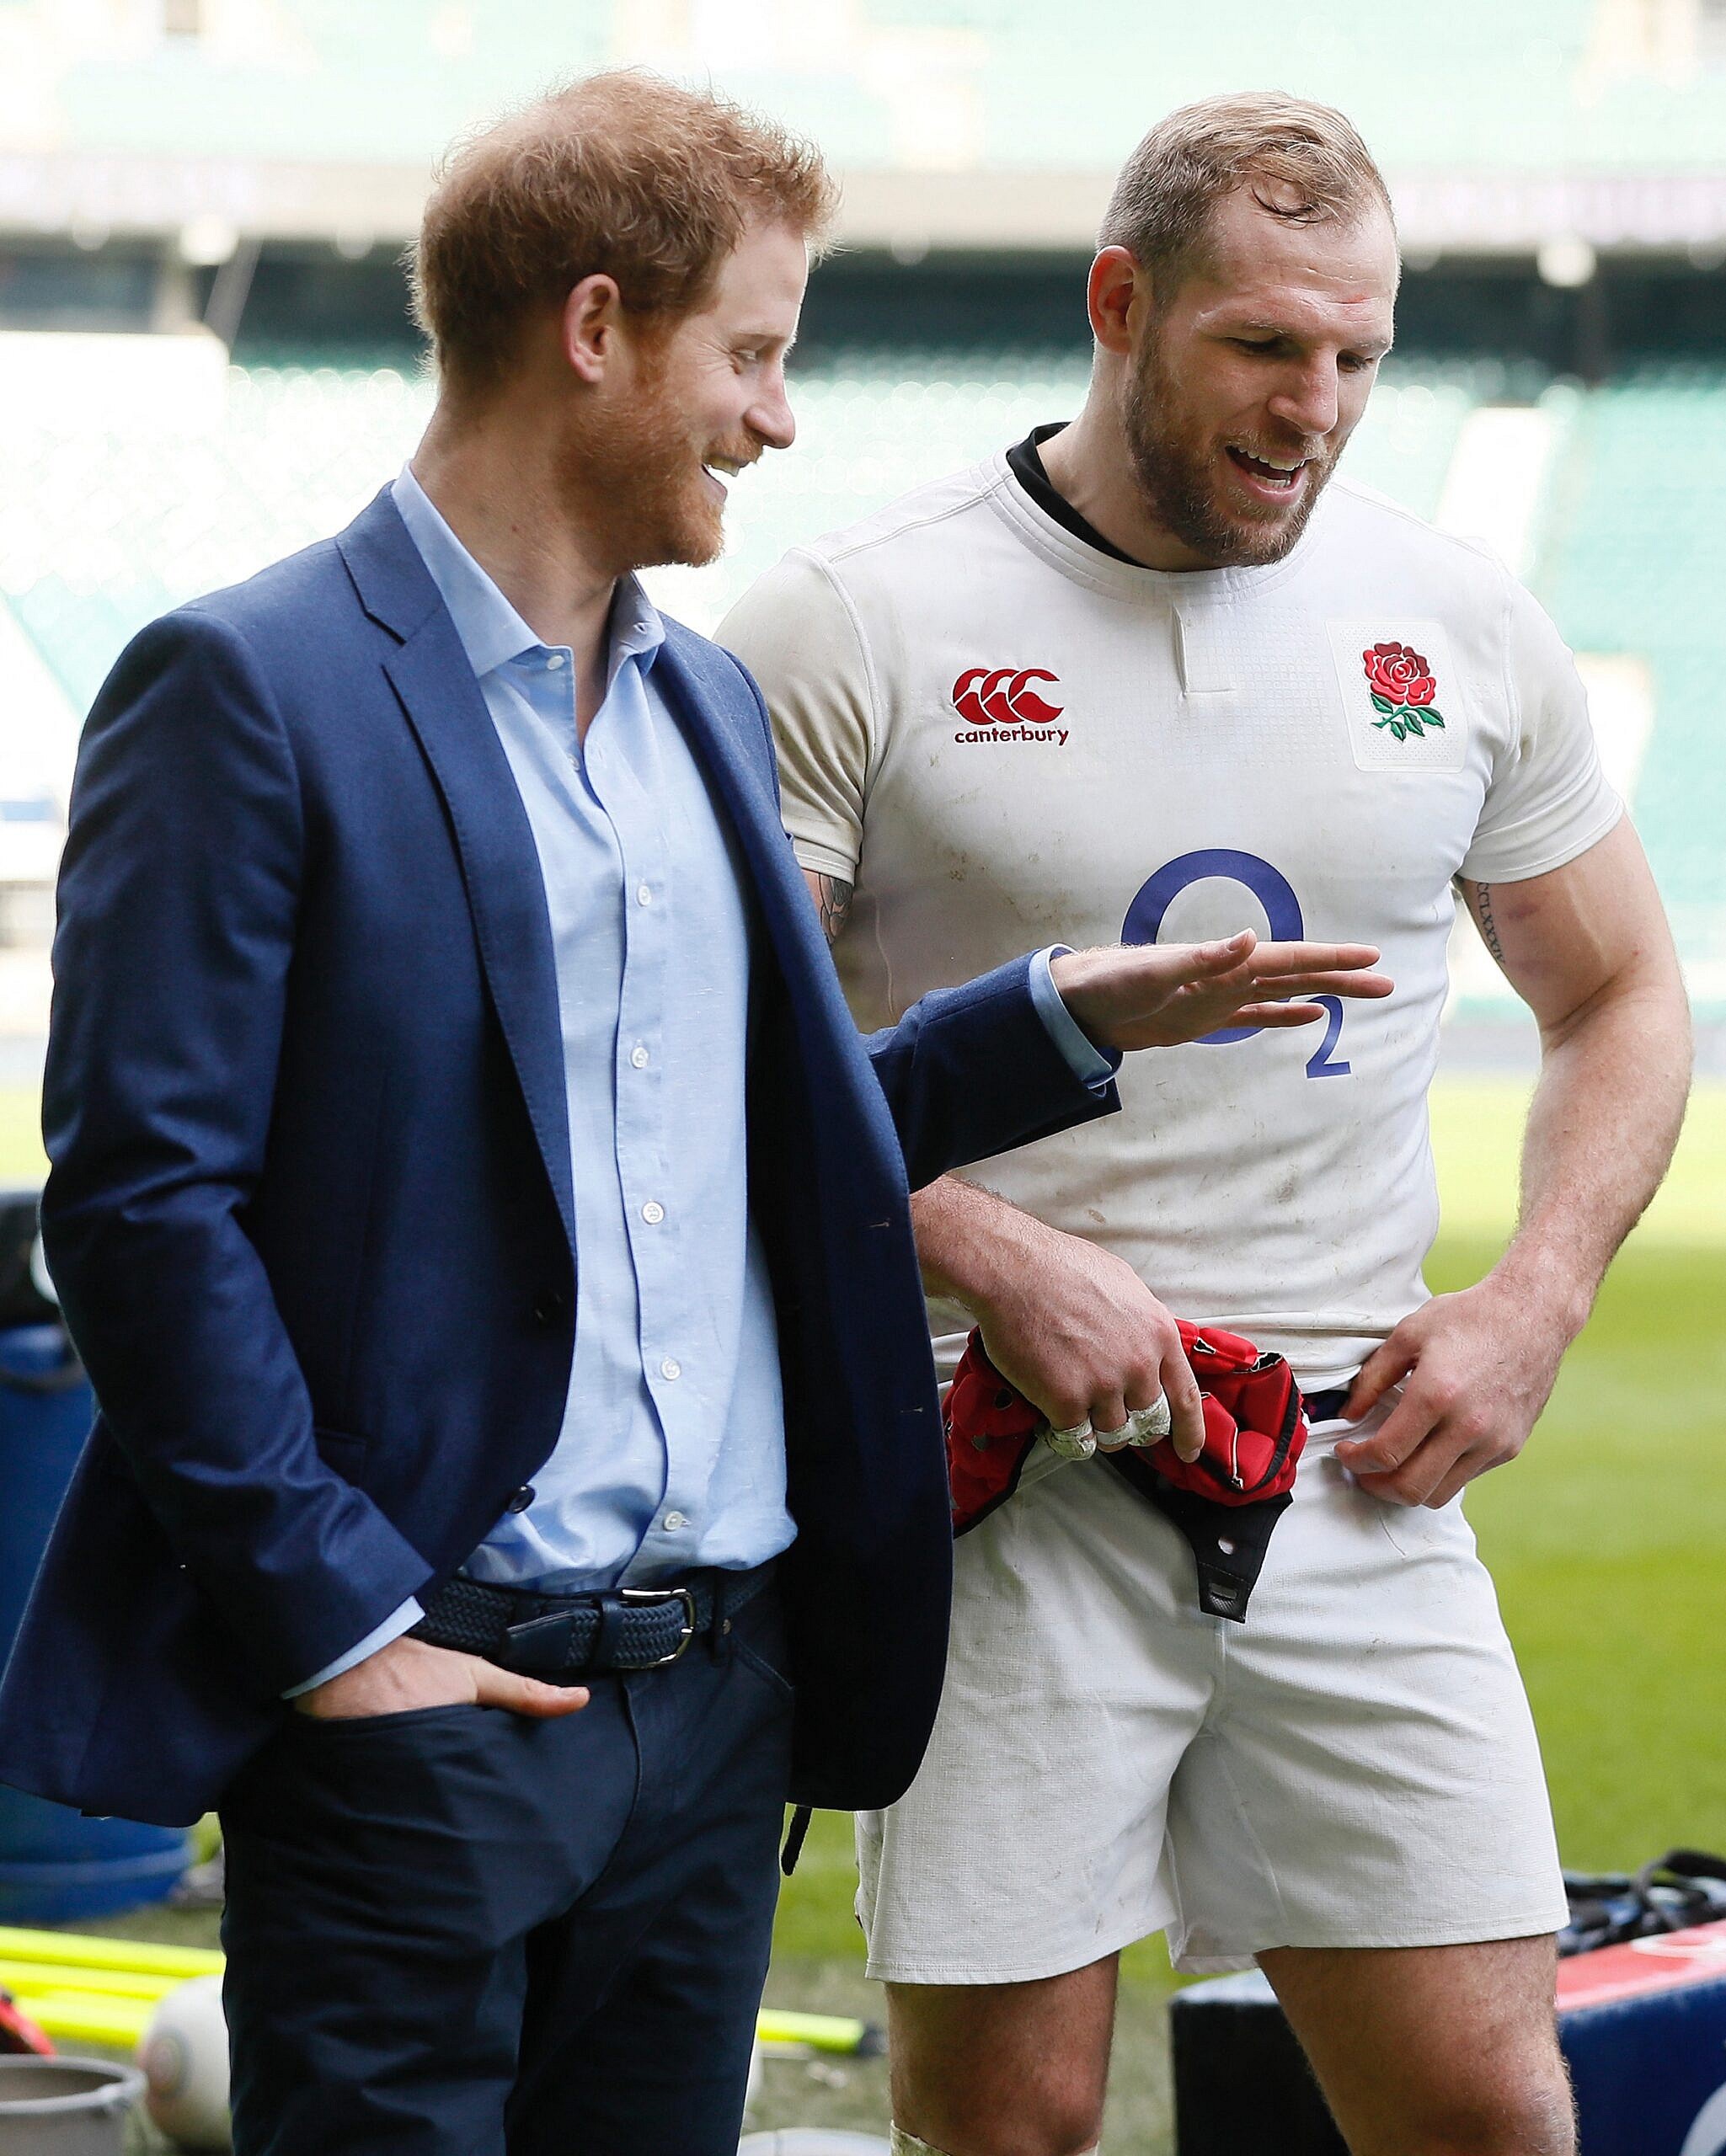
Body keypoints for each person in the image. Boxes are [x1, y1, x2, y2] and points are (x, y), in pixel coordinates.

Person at [0, 74, 1391, 2156]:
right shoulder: (247, 685)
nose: (777, 414)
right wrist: (338, 1629)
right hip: (425, 1705)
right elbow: (139, 1205)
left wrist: (1043, 1019)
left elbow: (772, 1137)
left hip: (711, 1706)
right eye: (750, 352)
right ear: (594, 330)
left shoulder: (698, 700)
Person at [720, 92, 1692, 2156]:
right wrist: (983, 1246)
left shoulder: (1458, 619)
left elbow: (1615, 990)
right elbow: (718, 1057)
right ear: (1118, 302)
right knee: (1013, 2127)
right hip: (997, 1470)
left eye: (1356, 354)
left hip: (1357, 1466)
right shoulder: (853, 619)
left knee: (1483, 2113)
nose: (1315, 404)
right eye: (1264, 346)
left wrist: (1530, 1295)